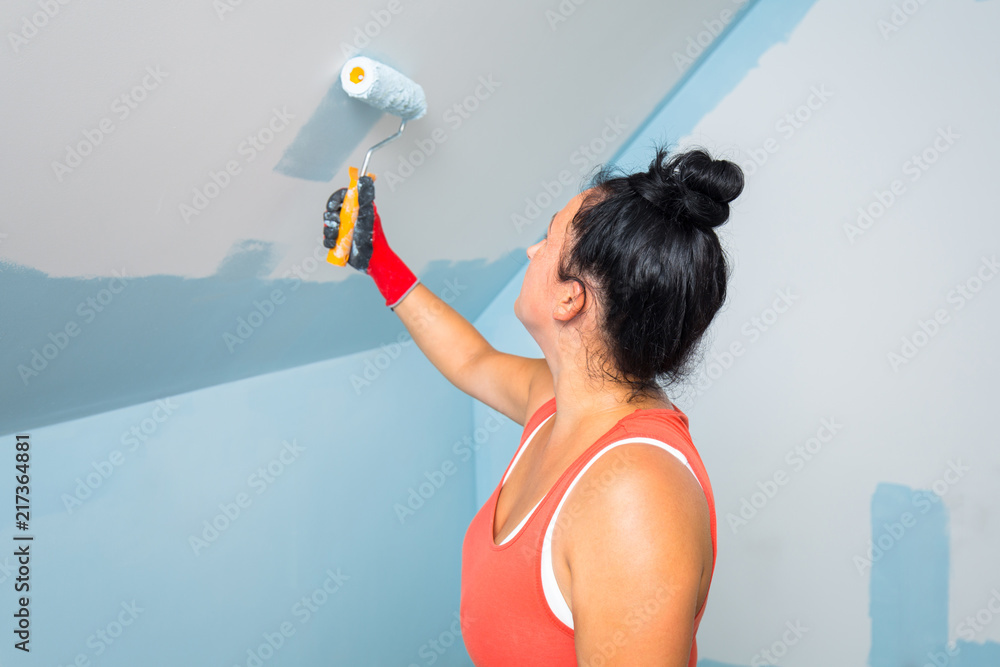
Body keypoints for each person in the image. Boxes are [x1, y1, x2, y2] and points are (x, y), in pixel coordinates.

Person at [323, 144, 744, 666]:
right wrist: (377, 259)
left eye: (548, 239)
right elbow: (472, 361)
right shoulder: (561, 400)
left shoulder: (634, 495)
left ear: (571, 299)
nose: (531, 250)